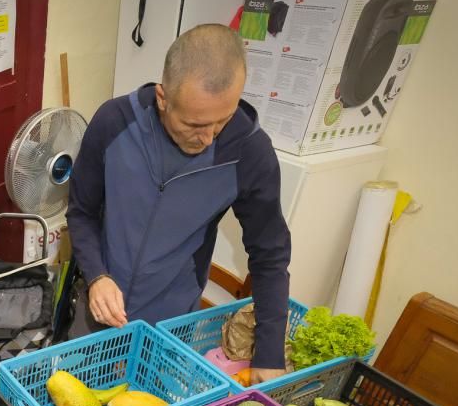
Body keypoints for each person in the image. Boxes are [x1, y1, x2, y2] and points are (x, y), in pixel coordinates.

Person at [66, 23, 291, 381]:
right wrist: (97, 276)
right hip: (98, 313)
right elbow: (81, 211)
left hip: (170, 329)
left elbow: (270, 255)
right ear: (162, 98)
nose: (207, 137)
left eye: (222, 121)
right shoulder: (114, 122)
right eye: (194, 123)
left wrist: (269, 351)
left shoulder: (249, 153)